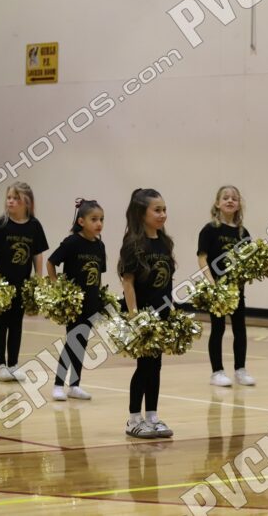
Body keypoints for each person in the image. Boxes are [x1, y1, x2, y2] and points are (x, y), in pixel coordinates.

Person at [119, 188, 175, 439]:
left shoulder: (165, 242)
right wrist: (135, 317)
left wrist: (171, 312)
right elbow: (128, 282)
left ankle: (152, 416)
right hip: (141, 315)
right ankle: (133, 419)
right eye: (157, 210)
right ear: (142, 213)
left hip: (162, 314)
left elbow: (168, 280)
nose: (162, 214)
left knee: (156, 365)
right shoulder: (133, 243)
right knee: (143, 366)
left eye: (164, 210)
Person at [0, 182, 47, 383]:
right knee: (1, 323)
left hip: (22, 284)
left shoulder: (34, 226)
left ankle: (13, 364)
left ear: (27, 203)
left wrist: (38, 279)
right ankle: (0, 365)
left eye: (16, 198)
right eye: (9, 197)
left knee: (17, 324)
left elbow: (37, 255)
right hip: (2, 285)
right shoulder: (0, 224)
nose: (10, 201)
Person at [47, 199, 106, 402]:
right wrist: (57, 287)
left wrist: (99, 299)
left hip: (91, 301)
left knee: (81, 343)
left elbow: (98, 275)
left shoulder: (99, 245)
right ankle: (58, 385)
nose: (99, 223)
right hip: (74, 303)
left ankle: (74, 385)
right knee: (72, 341)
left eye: (101, 219)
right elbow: (51, 262)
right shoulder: (72, 242)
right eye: (94, 219)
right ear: (81, 221)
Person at [197, 185, 254, 387]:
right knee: (218, 328)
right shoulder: (210, 230)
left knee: (240, 328)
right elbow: (202, 258)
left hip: (236, 289)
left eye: (234, 198)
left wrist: (244, 278)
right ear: (217, 203)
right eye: (226, 197)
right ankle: (217, 372)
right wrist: (212, 284)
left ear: (239, 205)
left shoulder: (243, 233)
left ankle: (240, 370)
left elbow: (249, 262)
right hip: (217, 289)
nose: (230, 201)